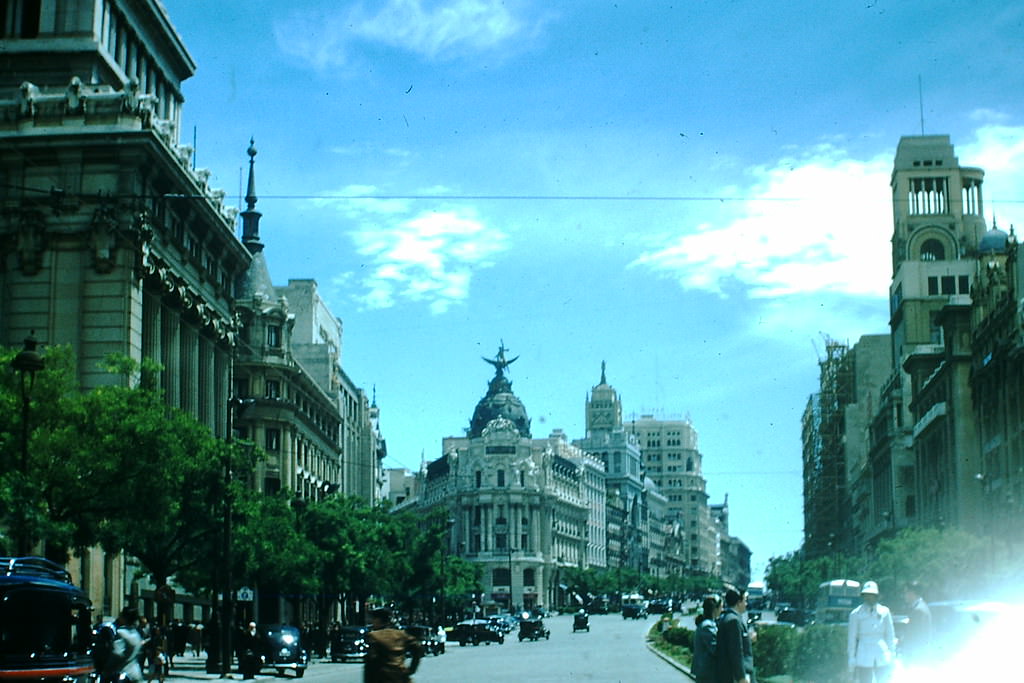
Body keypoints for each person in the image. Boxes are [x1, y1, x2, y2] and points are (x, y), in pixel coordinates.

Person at [848, 580, 895, 683]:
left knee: (883, 680)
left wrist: (892, 653)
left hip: (881, 653)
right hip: (863, 654)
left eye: (872, 594)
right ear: (863, 596)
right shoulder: (855, 614)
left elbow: (890, 634)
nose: (869, 597)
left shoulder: (884, 612)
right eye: (866, 594)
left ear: (876, 596)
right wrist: (851, 657)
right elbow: (852, 637)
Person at [364, 607, 423, 683]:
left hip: (384, 678)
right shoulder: (401, 634)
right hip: (401, 676)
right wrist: (412, 669)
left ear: (378, 620)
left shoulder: (374, 636)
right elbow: (417, 648)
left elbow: (371, 661)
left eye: (373, 619)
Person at [716, 588, 755, 683]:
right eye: (745, 600)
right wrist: (741, 676)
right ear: (739, 602)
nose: (746, 604)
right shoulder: (733, 621)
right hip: (735, 676)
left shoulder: (729, 617)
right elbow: (736, 651)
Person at [103, 607, 144, 683]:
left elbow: (117, 653)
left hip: (123, 674)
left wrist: (106, 669)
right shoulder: (136, 634)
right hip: (135, 673)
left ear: (124, 618)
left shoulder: (121, 633)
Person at [899, 581, 931, 667]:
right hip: (919, 652)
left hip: (915, 653)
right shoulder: (921, 606)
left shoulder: (918, 610)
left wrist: (902, 642)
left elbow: (914, 634)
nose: (904, 595)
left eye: (906, 592)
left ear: (912, 593)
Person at [692, 594, 722, 683]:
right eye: (721, 607)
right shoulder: (707, 626)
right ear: (715, 609)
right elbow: (716, 649)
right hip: (707, 673)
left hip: (706, 673)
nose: (722, 610)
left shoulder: (708, 623)